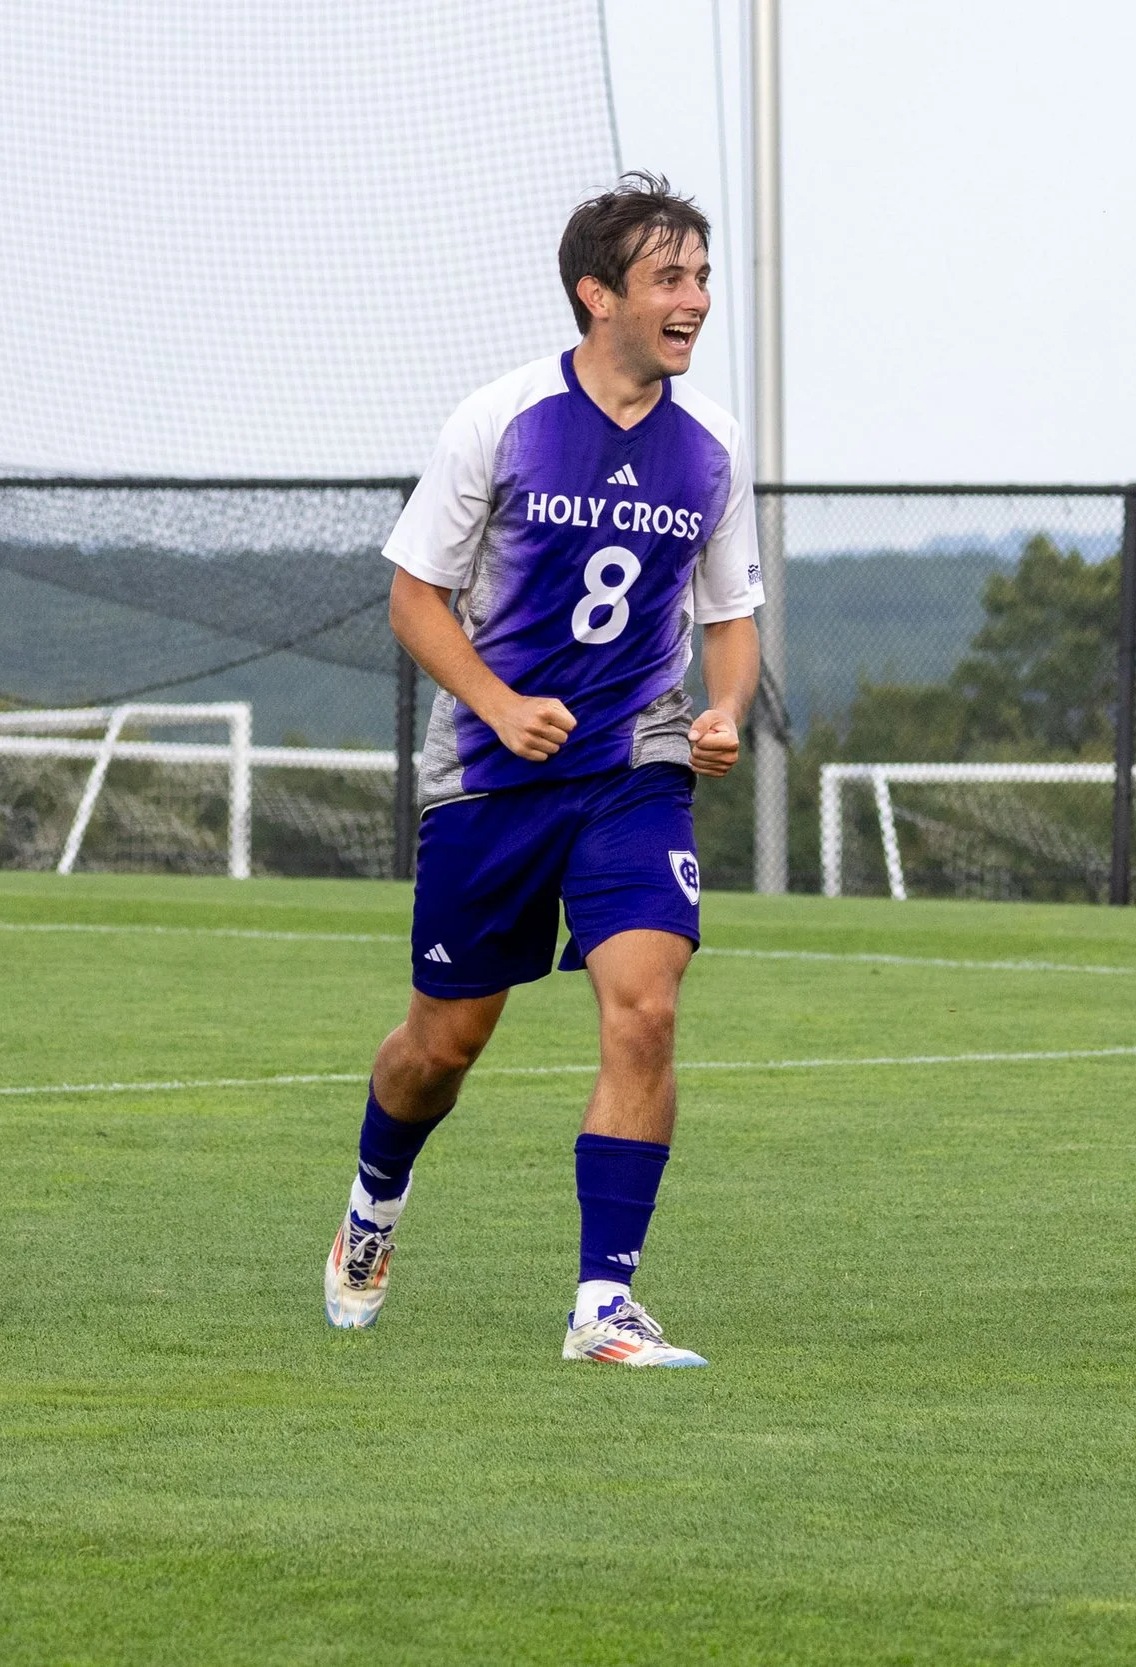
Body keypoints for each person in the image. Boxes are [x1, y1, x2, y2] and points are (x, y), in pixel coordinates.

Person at [320, 173, 762, 1367]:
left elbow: (732, 617)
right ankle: (374, 1201)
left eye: (703, 278)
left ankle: (601, 1305)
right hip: (489, 774)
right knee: (441, 1045)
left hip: (633, 768)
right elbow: (414, 597)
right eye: (671, 278)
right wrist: (499, 704)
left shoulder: (712, 445)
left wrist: (721, 709)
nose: (696, 301)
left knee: (646, 1006)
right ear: (597, 293)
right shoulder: (500, 418)